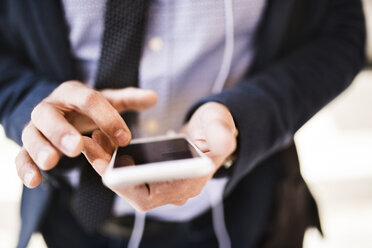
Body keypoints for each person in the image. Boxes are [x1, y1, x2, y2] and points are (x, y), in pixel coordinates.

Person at [0, 0, 366, 247]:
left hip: (247, 212)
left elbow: (340, 35)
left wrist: (243, 116)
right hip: (74, 220)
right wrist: (34, 107)